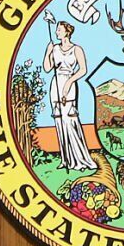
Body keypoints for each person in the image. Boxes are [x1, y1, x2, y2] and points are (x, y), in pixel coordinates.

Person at [42, 14, 96, 173]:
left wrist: (69, 82)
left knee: (69, 120)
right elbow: (47, 68)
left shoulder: (76, 49)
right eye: (57, 30)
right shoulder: (55, 48)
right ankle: (65, 159)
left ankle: (79, 158)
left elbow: (83, 69)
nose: (57, 32)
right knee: (59, 121)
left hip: (69, 83)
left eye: (59, 30)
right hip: (55, 85)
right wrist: (48, 51)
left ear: (67, 32)